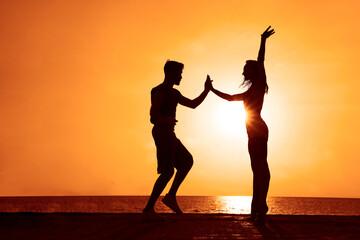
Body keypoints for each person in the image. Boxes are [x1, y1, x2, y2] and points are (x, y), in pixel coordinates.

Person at [209, 26, 275, 225]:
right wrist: (211, 89)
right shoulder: (248, 93)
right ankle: (257, 209)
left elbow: (262, 61)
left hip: (259, 132)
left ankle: (260, 208)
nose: (243, 71)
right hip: (252, 133)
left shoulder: (259, 83)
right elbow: (229, 98)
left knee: (260, 169)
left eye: (246, 68)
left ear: (254, 71)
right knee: (257, 170)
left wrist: (262, 40)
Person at [143, 60, 212, 216]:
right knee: (167, 172)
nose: (181, 77)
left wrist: (206, 90)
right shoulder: (159, 91)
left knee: (187, 161)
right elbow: (153, 116)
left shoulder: (175, 94)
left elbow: (193, 104)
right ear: (171, 74)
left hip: (170, 134)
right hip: (162, 132)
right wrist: (164, 120)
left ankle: (170, 196)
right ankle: (148, 210)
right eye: (179, 74)